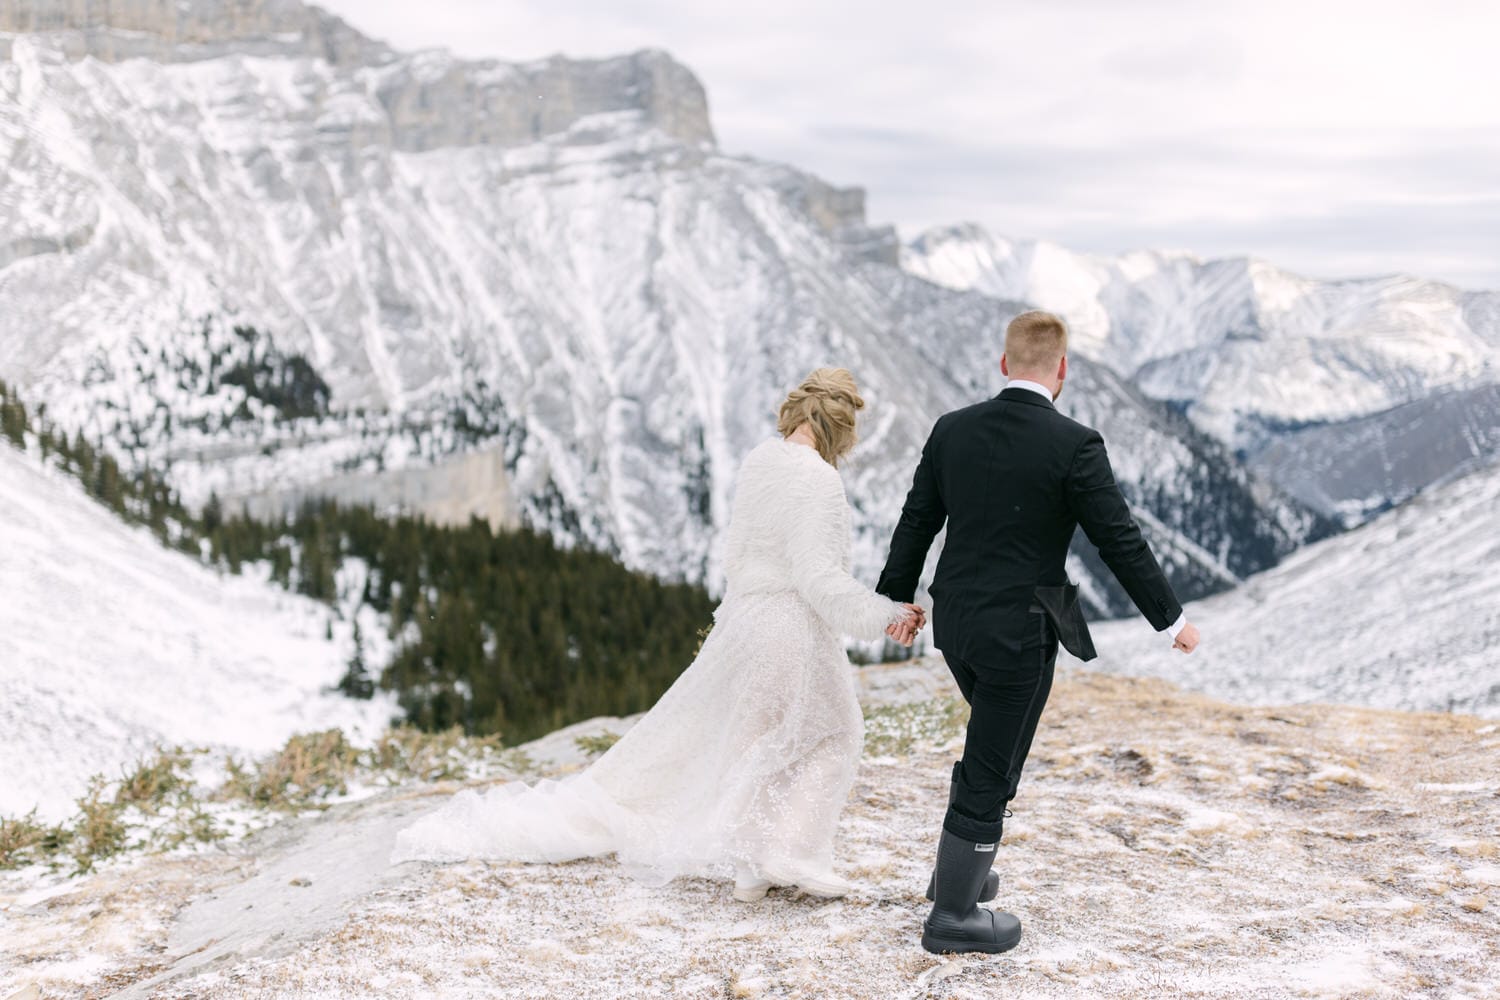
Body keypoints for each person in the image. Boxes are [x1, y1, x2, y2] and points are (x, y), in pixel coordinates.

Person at [392, 368, 923, 902]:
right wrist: (885, 615)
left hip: (744, 621)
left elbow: (736, 555)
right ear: (838, 426)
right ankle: (791, 853)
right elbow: (819, 580)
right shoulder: (818, 479)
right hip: (791, 627)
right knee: (836, 733)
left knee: (759, 740)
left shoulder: (761, 460)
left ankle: (752, 867)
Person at [876, 310, 1201, 955]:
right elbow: (1120, 542)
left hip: (957, 625)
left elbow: (918, 522)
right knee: (994, 764)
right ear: (1061, 370)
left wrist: (895, 601)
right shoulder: (1075, 444)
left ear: (1004, 364)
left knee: (990, 744)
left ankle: (957, 871)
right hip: (1018, 633)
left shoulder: (951, 430)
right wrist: (1174, 619)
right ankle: (952, 918)